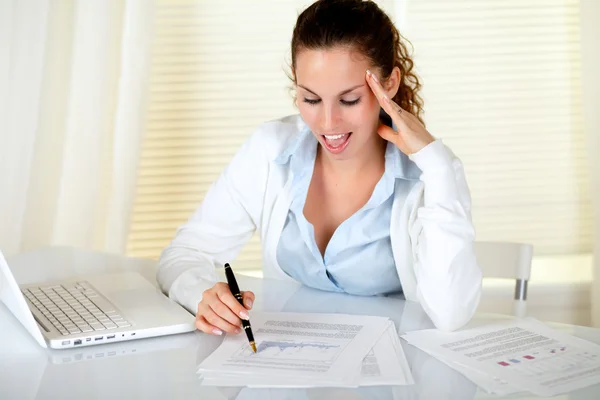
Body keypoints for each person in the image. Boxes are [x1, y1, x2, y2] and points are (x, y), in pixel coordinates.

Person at [156, 0, 482, 335]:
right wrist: (201, 295)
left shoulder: (427, 177)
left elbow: (451, 314)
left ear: (389, 84)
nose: (327, 123)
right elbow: (184, 253)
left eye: (349, 99)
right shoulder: (270, 150)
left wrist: (439, 164)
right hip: (291, 366)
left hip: (388, 376)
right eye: (311, 99)